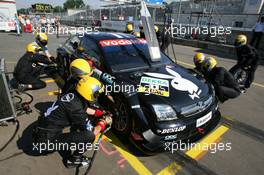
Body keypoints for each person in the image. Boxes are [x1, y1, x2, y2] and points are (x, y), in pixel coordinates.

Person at [33, 77, 112, 168]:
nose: (97, 96)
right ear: (88, 92)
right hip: (45, 142)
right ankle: (73, 160)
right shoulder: (76, 108)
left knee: (80, 126)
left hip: (42, 131)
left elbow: (83, 108)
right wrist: (103, 123)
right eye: (96, 94)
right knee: (88, 136)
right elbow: (93, 131)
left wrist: (98, 113)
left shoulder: (73, 95)